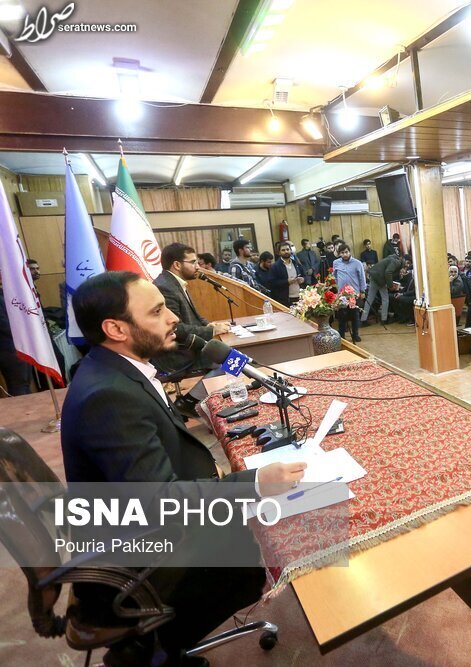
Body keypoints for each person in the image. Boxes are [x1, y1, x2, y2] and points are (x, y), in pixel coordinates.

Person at [61, 270, 305, 666]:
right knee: (262, 546)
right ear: (116, 328)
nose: (173, 317)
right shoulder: (108, 396)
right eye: (157, 311)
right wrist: (256, 482)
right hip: (138, 563)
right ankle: (147, 654)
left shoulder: (115, 369)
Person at [150, 243, 230, 376]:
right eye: (193, 262)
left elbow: (194, 316)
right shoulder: (165, 287)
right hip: (180, 356)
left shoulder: (173, 282)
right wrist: (211, 331)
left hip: (191, 349)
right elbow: (175, 327)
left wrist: (208, 325)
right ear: (177, 265)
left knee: (232, 357)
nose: (198, 267)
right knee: (229, 363)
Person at [0, 274, 33, 395]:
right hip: (9, 348)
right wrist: (23, 331)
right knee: (18, 385)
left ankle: (29, 406)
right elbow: (3, 324)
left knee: (26, 382)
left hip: (19, 345)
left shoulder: (4, 293)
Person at [331, 244, 367, 343]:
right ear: (339, 254)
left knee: (355, 315)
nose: (345, 254)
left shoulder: (357, 263)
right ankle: (342, 335)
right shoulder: (336, 263)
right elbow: (335, 276)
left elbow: (362, 277)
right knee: (341, 316)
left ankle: (355, 335)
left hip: (354, 294)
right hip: (342, 294)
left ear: (349, 252)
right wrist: (338, 287)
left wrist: (362, 291)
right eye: (342, 253)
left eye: (346, 252)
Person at [362, 254, 403, 325]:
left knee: (369, 299)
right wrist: (390, 285)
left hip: (373, 277)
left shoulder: (389, 258)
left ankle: (363, 319)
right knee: (385, 299)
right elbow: (388, 272)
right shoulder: (397, 262)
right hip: (380, 280)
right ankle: (384, 319)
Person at [265, 241, 306, 308]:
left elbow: (305, 276)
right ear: (279, 252)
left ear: (290, 250)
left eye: (287, 249)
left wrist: (303, 279)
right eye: (283, 250)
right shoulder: (275, 266)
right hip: (285, 299)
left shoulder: (296, 263)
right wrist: (287, 281)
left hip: (300, 297)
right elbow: (271, 283)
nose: (286, 251)